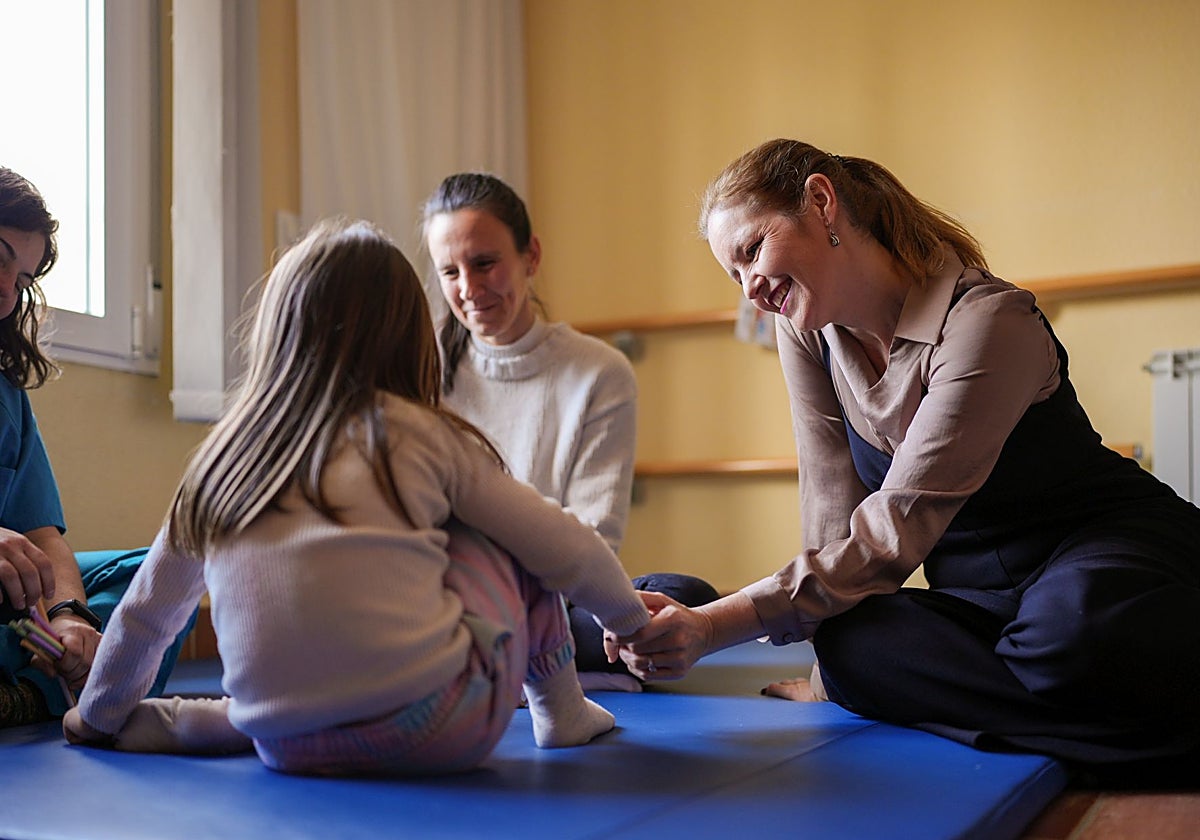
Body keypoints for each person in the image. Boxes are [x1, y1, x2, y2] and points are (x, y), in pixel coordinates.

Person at [612, 138, 1200, 778]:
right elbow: (828, 494)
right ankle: (1128, 722)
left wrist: (710, 625)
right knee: (851, 645)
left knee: (1071, 633)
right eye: (735, 276)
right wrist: (826, 668)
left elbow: (895, 528)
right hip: (986, 599)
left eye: (752, 250)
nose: (751, 289)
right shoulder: (805, 331)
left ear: (821, 202)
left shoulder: (988, 320)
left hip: (1097, 555)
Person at [62, 218, 651, 776]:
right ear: (407, 335)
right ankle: (562, 713)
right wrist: (630, 622)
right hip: (439, 728)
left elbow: (147, 614)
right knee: (516, 538)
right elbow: (566, 545)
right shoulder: (421, 433)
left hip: (284, 742)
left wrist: (97, 714)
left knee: (289, 686)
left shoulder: (223, 460)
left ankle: (219, 720)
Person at [421, 172, 717, 687]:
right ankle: (539, 667)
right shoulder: (421, 369)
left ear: (531, 257)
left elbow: (593, 537)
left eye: (485, 263)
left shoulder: (599, 371)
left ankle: (506, 661)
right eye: (450, 271)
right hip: (445, 596)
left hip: (549, 598)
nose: (468, 288)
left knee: (683, 600)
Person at [0, 168, 102, 726]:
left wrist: (69, 616)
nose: (6, 291)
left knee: (146, 580)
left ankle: (31, 693)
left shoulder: (6, 396)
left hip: (10, 606)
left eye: (22, 280)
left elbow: (43, 535)